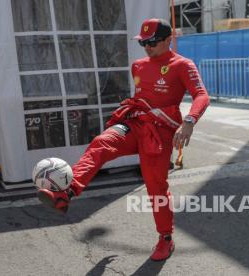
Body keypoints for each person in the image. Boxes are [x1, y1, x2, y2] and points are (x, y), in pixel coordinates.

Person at [37, 18, 210, 261]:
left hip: (158, 133)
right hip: (133, 124)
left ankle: (165, 238)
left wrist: (189, 122)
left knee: (156, 188)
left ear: (169, 40)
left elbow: (201, 95)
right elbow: (142, 94)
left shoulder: (182, 65)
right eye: (143, 43)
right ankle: (67, 192)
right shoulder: (138, 66)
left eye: (152, 42)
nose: (147, 47)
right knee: (101, 143)